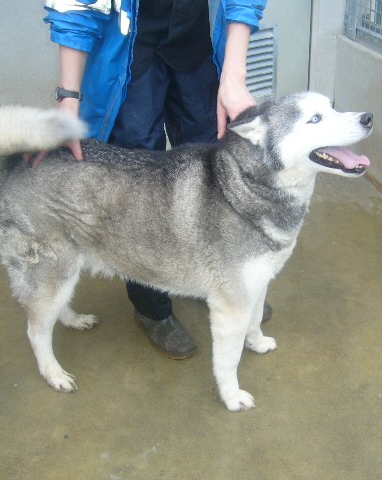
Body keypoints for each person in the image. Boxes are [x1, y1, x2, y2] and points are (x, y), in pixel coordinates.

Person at [43, 0, 270, 360]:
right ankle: (151, 306)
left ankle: (210, 276)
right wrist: (68, 101)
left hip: (195, 43)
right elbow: (75, 6)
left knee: (214, 160)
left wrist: (233, 76)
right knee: (136, 184)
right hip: (129, 50)